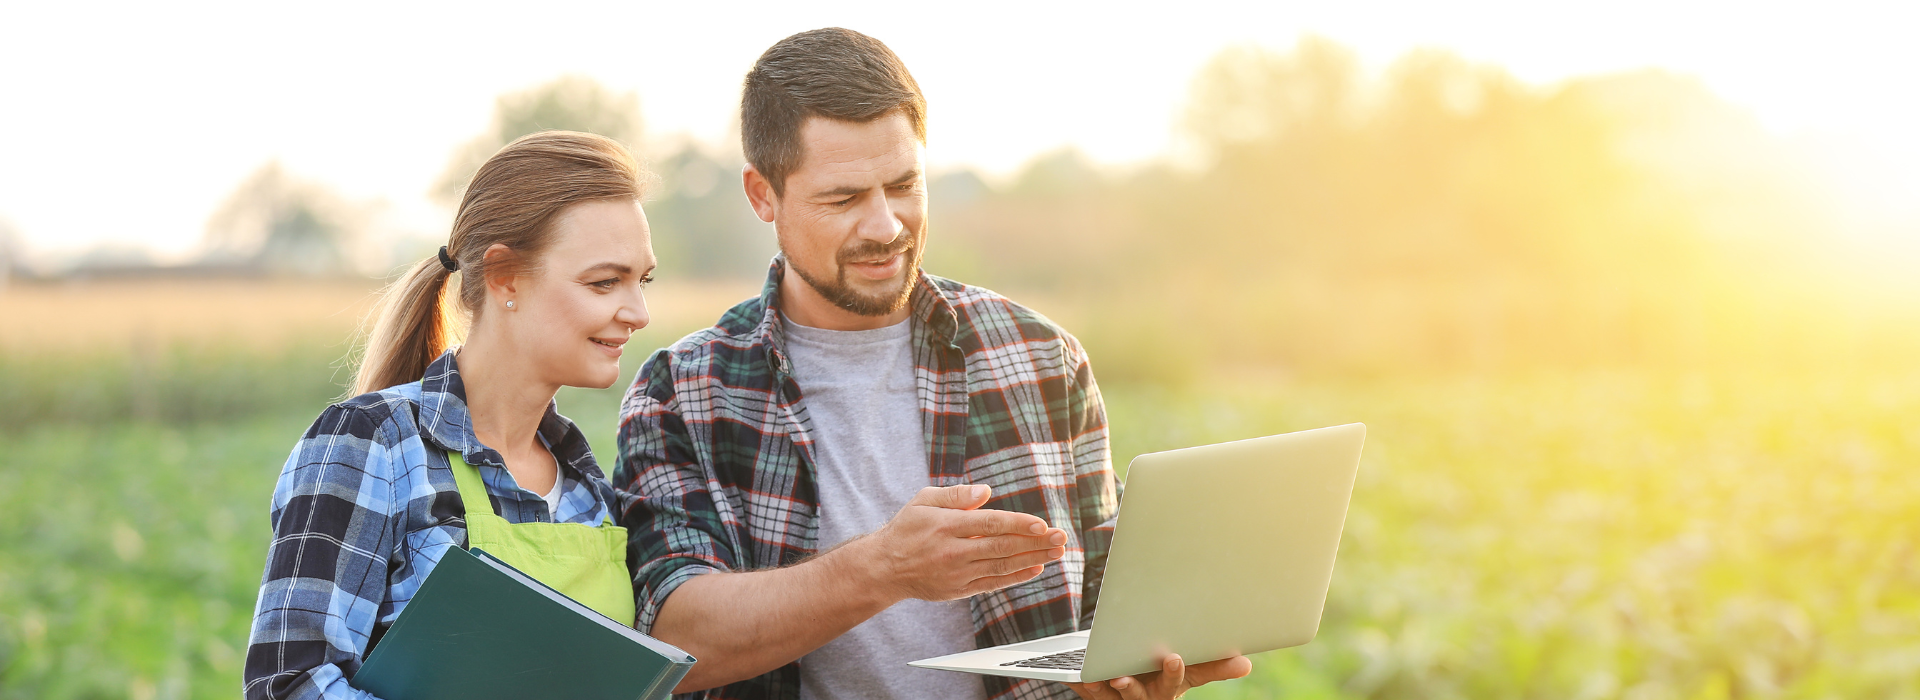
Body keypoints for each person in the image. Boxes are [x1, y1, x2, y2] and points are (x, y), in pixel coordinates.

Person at [614, 29, 1252, 700]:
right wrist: (884, 568)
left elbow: (1101, 604)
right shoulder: (682, 394)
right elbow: (675, 640)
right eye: (844, 198)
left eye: (903, 185)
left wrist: (1124, 673)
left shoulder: (1040, 358)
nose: (887, 225)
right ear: (761, 195)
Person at [243, 131, 657, 699]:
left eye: (643, 280)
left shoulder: (589, 491)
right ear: (504, 276)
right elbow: (289, 686)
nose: (638, 311)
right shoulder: (374, 445)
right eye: (604, 282)